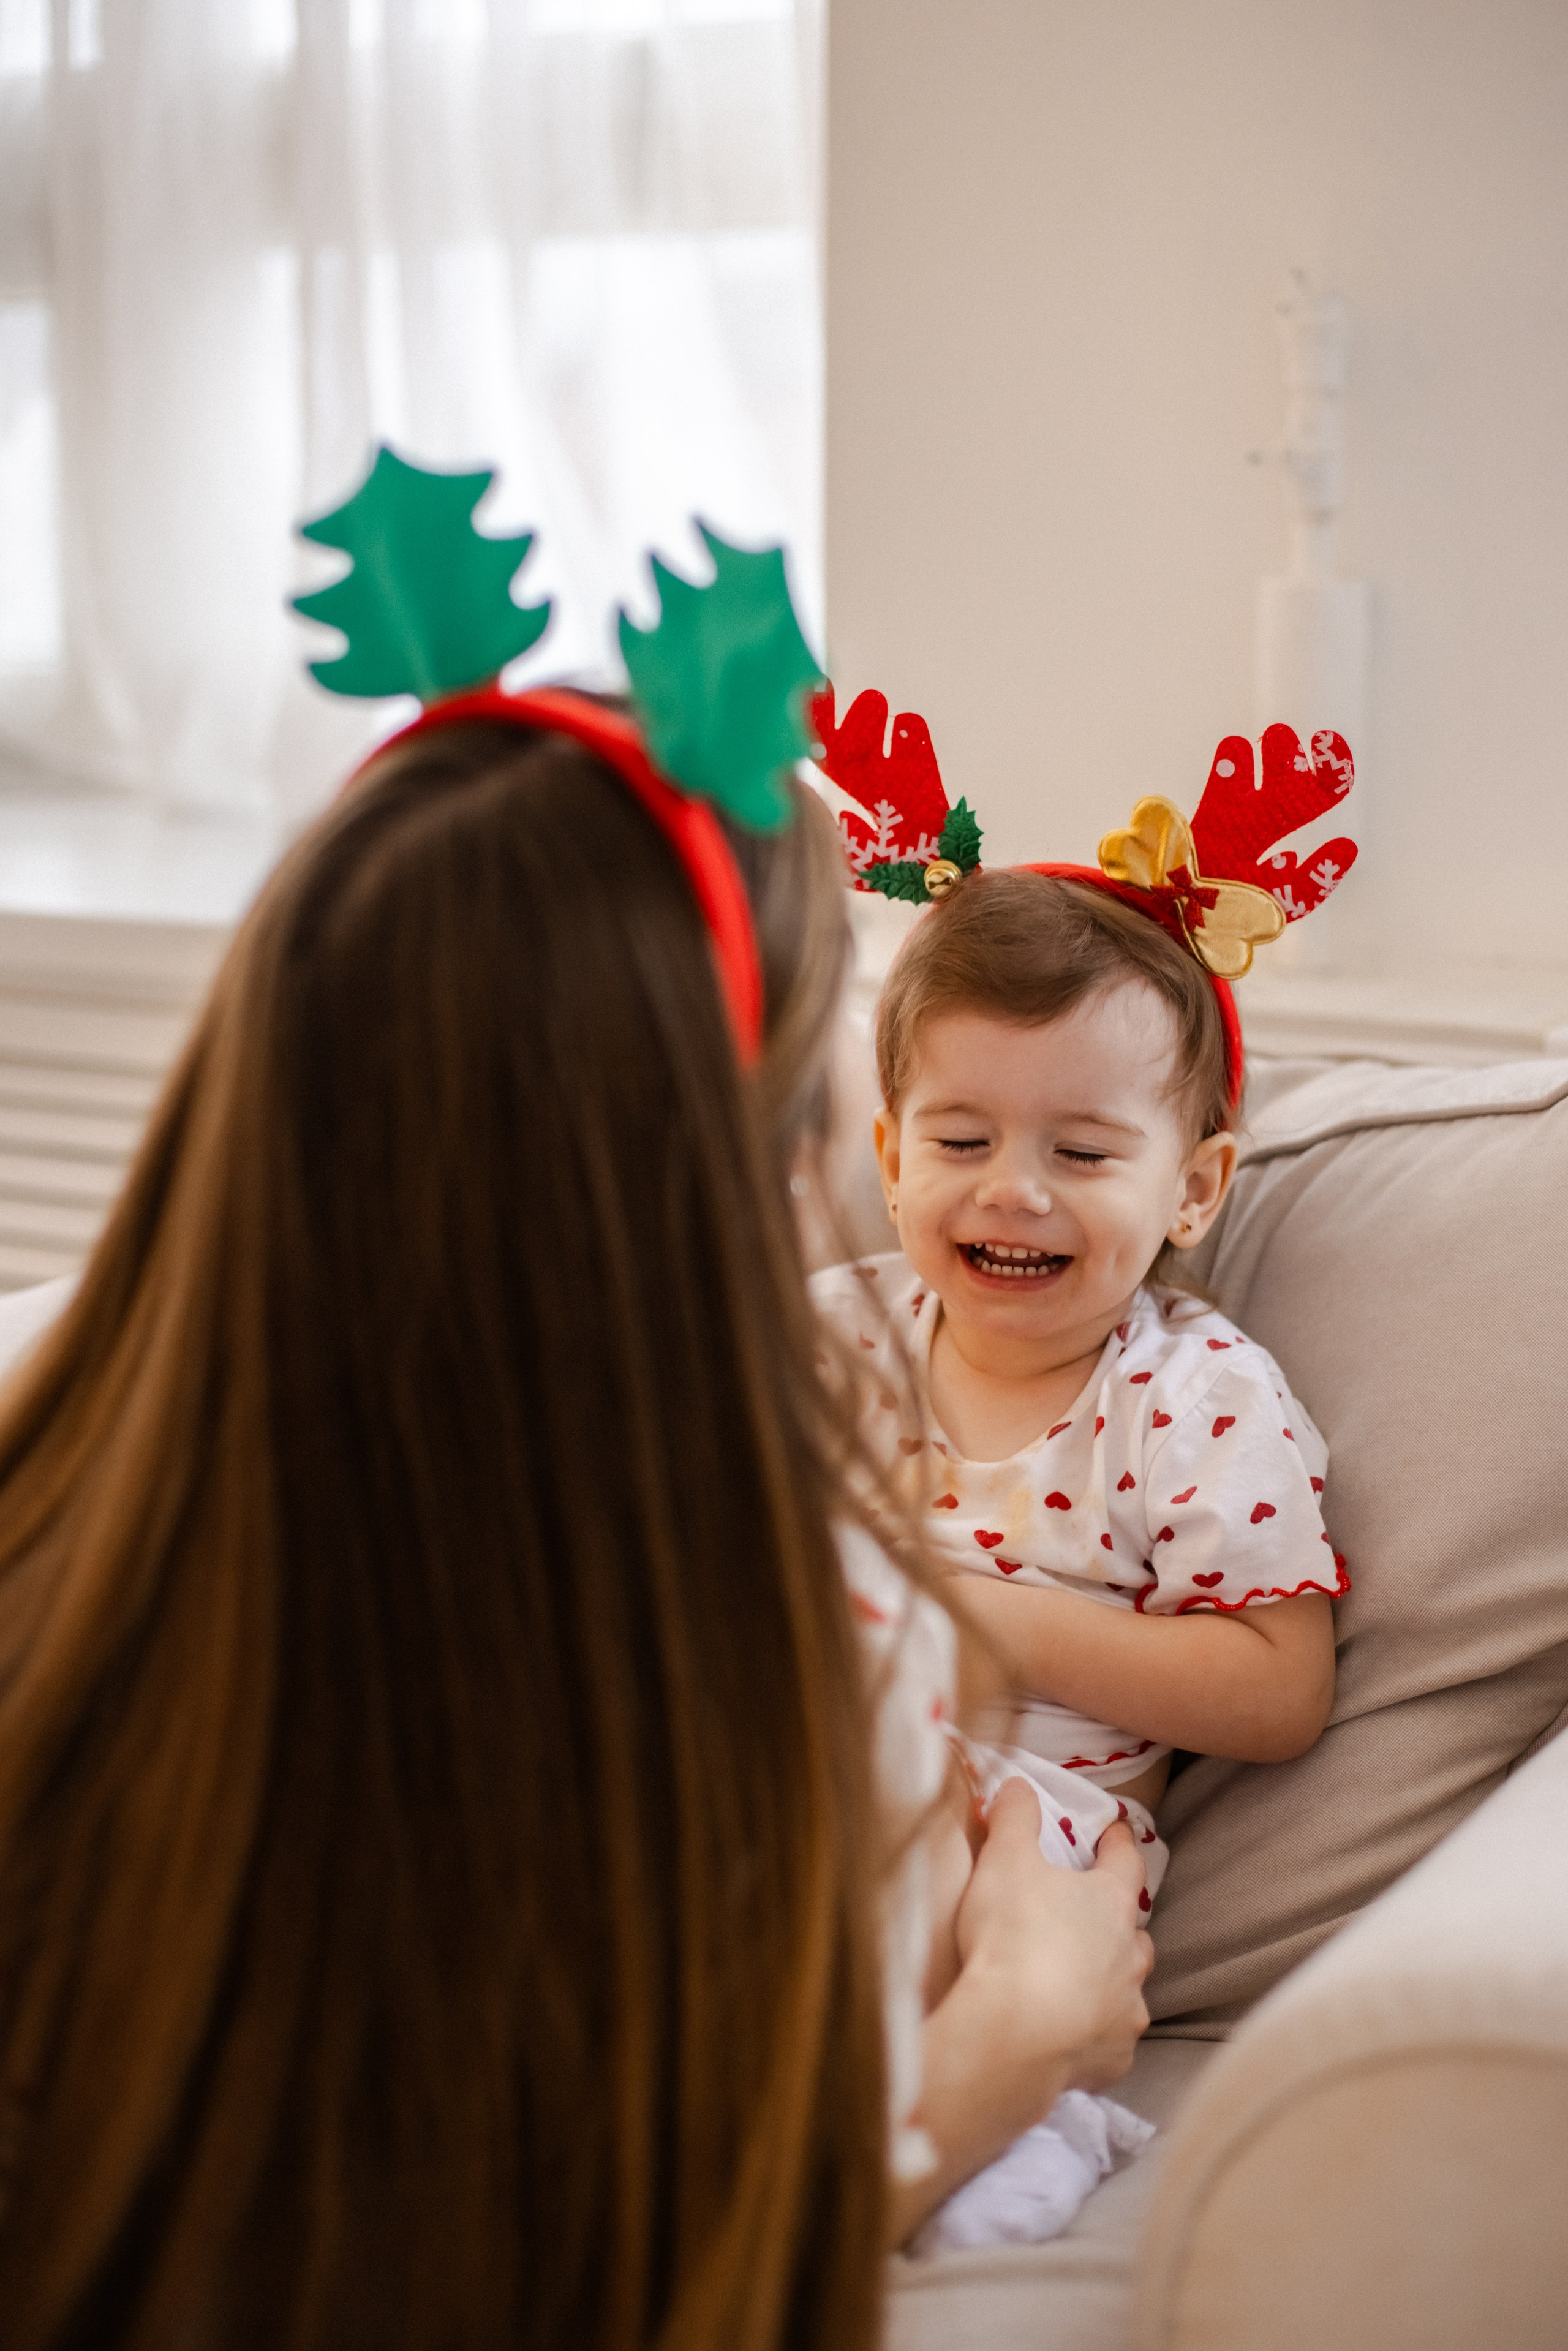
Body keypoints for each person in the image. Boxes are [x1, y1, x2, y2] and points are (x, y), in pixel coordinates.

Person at [0, 708, 1149, 2347]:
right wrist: (1016, 2030)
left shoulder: (57, 1512)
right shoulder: (801, 1659)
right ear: (752, 1165)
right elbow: (632, 2270)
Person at [814, 866, 1347, 1880]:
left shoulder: (1194, 1398)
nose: (1012, 1188)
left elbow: (1284, 1691)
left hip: (1028, 1831)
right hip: (795, 1753)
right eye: (961, 1141)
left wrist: (997, 1625)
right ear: (891, 1162)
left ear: (1193, 1191)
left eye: (1083, 1154)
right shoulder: (828, 1335)